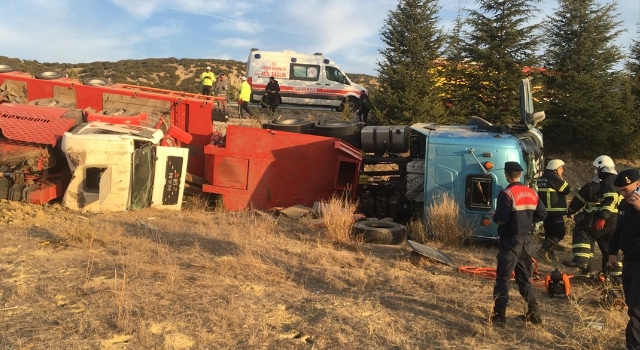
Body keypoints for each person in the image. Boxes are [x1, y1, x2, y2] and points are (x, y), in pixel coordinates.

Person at [491, 161, 547, 327]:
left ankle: (499, 316)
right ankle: (534, 312)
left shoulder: (507, 194)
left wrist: (495, 216)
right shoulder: (532, 193)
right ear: (520, 174)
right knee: (524, 278)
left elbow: (502, 219)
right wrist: (528, 222)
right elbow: (542, 214)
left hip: (510, 241)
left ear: (506, 174)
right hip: (526, 240)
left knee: (504, 278)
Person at [563, 155, 623, 275]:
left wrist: (602, 217)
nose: (597, 172)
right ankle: (616, 275)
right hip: (615, 219)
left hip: (607, 217)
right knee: (609, 247)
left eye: (598, 169)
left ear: (602, 168)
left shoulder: (608, 180)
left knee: (582, 230)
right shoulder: (615, 179)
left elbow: (611, 198)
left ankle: (580, 261)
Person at [608, 168, 640, 350]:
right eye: (620, 191)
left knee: (636, 309)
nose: (623, 194)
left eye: (626, 190)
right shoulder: (624, 204)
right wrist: (612, 251)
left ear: (638, 184)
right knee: (631, 305)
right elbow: (618, 230)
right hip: (629, 262)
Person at [536, 159, 571, 263]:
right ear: (555, 169)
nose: (562, 170)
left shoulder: (542, 178)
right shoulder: (554, 178)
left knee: (550, 233)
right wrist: (560, 178)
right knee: (560, 232)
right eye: (561, 168)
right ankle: (543, 250)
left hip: (545, 211)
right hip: (555, 211)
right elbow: (567, 189)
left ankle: (550, 255)